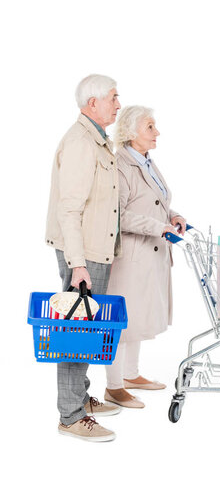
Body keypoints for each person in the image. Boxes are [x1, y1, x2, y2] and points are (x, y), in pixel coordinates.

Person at [46, 74, 122, 442]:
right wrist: (77, 264)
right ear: (92, 103)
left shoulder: (98, 141)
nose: (118, 104)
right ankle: (71, 416)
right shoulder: (80, 143)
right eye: (113, 97)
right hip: (84, 254)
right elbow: (69, 210)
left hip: (95, 251)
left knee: (86, 331)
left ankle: (81, 398)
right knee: (76, 334)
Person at [104, 105, 186, 408]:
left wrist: (174, 216)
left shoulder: (147, 162)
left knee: (136, 316)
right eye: (150, 127)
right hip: (131, 256)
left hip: (152, 253)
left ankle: (130, 374)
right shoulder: (121, 166)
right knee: (121, 323)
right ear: (130, 131)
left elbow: (156, 201)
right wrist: (158, 226)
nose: (157, 133)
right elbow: (117, 215)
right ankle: (113, 386)